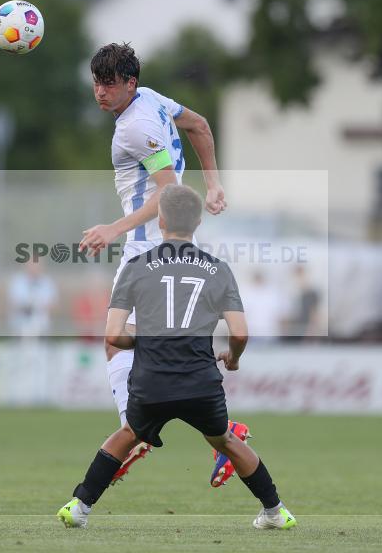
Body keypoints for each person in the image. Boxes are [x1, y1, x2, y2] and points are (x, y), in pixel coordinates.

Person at [58, 185, 296, 530]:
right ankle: (275, 512)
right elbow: (240, 333)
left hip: (151, 382)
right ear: (198, 221)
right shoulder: (219, 269)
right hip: (201, 381)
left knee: (128, 434)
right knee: (226, 441)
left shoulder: (137, 267)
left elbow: (113, 335)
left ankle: (79, 508)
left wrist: (146, 340)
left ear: (160, 218)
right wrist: (234, 358)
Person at [77, 42, 243, 485]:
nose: (101, 91)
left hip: (145, 247)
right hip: (171, 240)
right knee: (166, 344)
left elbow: (167, 192)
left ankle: (134, 434)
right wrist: (213, 185)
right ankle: (228, 436)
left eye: (110, 83)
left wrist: (114, 228)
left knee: (116, 342)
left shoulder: (136, 125)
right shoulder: (152, 98)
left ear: (129, 82)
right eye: (97, 81)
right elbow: (201, 126)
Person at [7, 258, 57, 338]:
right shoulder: (17, 281)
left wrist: (37, 306)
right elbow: (13, 302)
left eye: (36, 265)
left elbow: (52, 305)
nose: (33, 267)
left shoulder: (47, 282)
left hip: (41, 326)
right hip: (20, 325)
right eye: (31, 264)